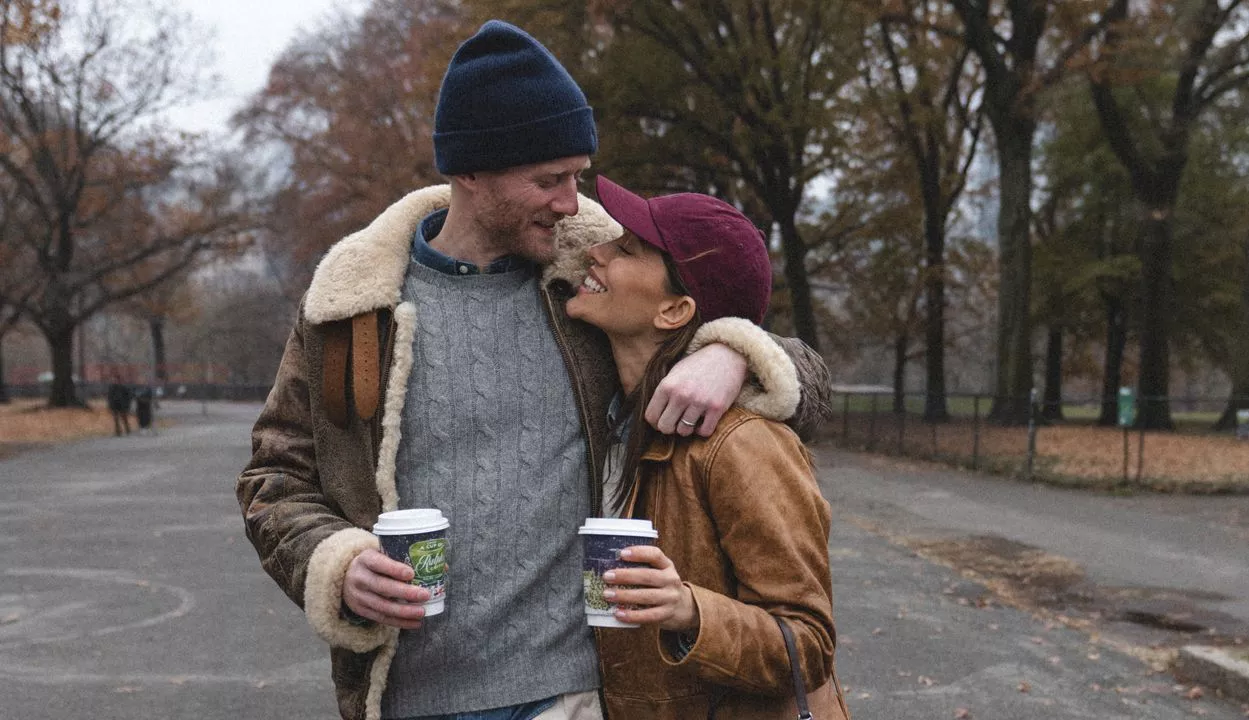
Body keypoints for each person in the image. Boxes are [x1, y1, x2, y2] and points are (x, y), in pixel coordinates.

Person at [235, 20, 828, 720]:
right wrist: (334, 563)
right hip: (407, 694)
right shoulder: (352, 308)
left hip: (576, 693)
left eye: (576, 174)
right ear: (470, 173)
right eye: (549, 179)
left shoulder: (587, 284)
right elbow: (273, 479)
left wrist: (734, 351)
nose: (573, 202)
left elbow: (798, 375)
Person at [566, 176, 849, 719]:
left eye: (625, 249)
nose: (595, 252)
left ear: (673, 312)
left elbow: (809, 642)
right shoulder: (608, 418)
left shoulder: (742, 445)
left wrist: (689, 609)